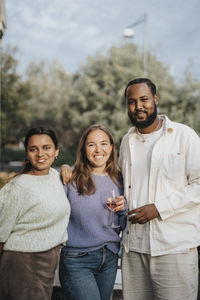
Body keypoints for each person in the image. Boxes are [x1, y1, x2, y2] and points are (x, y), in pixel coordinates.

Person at [119, 78, 200, 300]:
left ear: (155, 99)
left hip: (174, 248)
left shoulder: (184, 136)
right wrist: (69, 168)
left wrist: (159, 208)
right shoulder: (127, 141)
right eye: (132, 101)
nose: (139, 107)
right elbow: (114, 179)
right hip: (133, 249)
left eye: (144, 99)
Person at [0, 126, 71, 300]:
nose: (40, 154)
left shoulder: (55, 176)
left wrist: (66, 166)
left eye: (46, 148)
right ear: (27, 154)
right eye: (33, 149)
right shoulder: (18, 187)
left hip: (48, 262)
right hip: (21, 263)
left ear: (56, 151)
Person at [59, 124, 127, 300]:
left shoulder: (120, 179)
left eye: (104, 143)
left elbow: (124, 224)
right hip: (77, 259)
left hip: (109, 257)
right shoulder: (70, 177)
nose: (98, 150)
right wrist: (65, 166)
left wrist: (124, 208)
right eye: (91, 145)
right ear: (83, 148)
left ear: (111, 148)